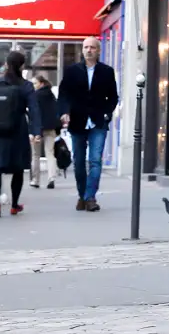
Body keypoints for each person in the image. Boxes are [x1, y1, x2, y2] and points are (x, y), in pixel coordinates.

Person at [0, 51, 41, 218]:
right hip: (17, 129)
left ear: (6, 64)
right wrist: (36, 131)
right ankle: (14, 205)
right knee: (17, 169)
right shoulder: (25, 85)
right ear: (21, 66)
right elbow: (34, 109)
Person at [58, 37, 117, 212]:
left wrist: (107, 113)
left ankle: (90, 197)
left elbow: (113, 97)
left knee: (95, 161)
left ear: (98, 50)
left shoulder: (107, 71)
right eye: (86, 47)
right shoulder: (71, 71)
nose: (89, 50)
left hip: (98, 121)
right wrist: (64, 112)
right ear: (82, 50)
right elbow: (63, 95)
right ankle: (81, 194)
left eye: (92, 47)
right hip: (77, 121)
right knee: (78, 161)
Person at [30, 75, 59, 189]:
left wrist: (32, 129)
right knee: (50, 153)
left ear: (41, 83)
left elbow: (33, 114)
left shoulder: (35, 96)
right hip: (50, 128)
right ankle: (51, 178)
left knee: (35, 155)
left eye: (35, 83)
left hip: (37, 129)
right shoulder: (51, 95)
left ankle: (35, 180)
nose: (33, 86)